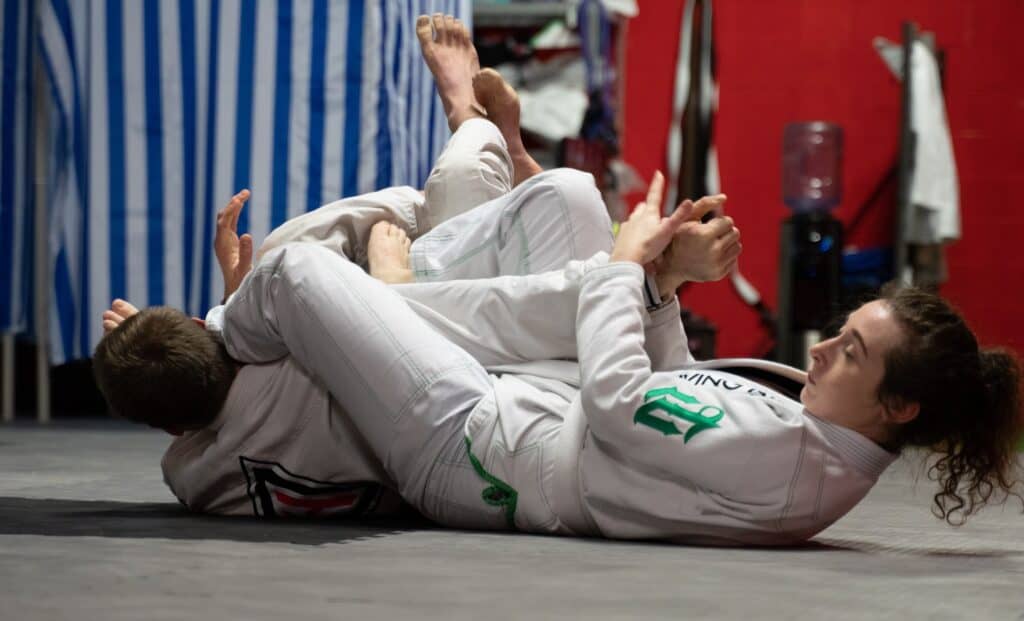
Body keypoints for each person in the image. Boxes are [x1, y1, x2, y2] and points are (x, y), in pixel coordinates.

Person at [93, 14, 739, 519]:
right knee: (318, 244)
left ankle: (516, 173)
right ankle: (486, 140)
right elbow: (329, 277)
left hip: (486, 417)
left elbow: (194, 419)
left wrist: (159, 353)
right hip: (454, 412)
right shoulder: (277, 349)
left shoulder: (195, 474)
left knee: (555, 199)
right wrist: (235, 306)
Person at [210, 164, 1023, 545]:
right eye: (841, 335)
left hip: (473, 445)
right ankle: (397, 282)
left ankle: (210, 340)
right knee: (567, 193)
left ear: (899, 407)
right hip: (535, 404)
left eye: (849, 353)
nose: (818, 350)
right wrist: (662, 284)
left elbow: (620, 402)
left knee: (294, 270)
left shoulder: (794, 460)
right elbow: (673, 395)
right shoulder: (818, 435)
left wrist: (627, 268)